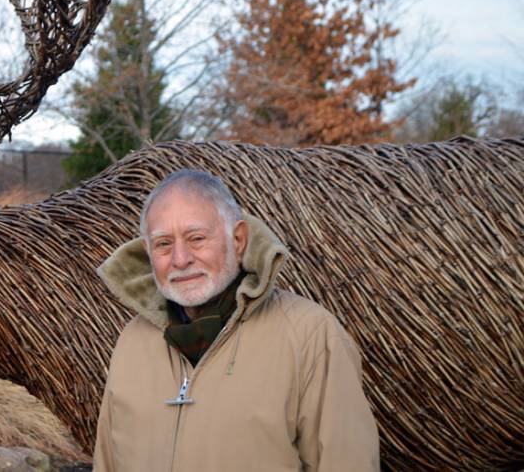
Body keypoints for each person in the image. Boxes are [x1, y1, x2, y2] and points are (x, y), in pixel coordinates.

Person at [93, 169, 379, 471]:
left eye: (196, 239)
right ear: (148, 251)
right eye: (163, 244)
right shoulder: (132, 342)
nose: (180, 259)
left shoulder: (310, 335)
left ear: (238, 239)